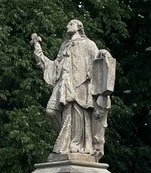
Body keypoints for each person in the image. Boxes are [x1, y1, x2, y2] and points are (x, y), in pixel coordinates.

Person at [31, 19, 115, 159]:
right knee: (51, 111)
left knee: (76, 114)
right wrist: (38, 50)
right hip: (63, 83)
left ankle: (73, 144)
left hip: (80, 84)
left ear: (79, 27)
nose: (67, 26)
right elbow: (56, 65)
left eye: (71, 24)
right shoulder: (64, 45)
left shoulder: (88, 44)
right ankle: (67, 139)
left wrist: (104, 53)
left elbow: (97, 60)